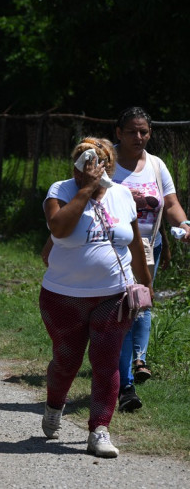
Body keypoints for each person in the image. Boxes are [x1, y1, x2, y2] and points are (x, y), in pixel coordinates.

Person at [39, 137, 152, 458]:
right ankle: (54, 404)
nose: (81, 172)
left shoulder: (121, 196)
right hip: (63, 298)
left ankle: (99, 429)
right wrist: (86, 189)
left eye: (90, 167)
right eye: (79, 166)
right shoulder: (60, 191)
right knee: (66, 362)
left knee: (106, 363)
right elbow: (58, 228)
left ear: (108, 167)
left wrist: (145, 282)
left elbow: (134, 244)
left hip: (114, 296)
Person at [111, 107, 190, 411]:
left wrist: (184, 224)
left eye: (144, 131)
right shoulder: (107, 162)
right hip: (115, 249)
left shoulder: (156, 165)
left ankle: (137, 360)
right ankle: (126, 382)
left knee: (142, 304)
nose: (139, 137)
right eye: (132, 131)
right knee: (122, 310)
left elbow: (170, 203)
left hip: (149, 247)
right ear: (119, 133)